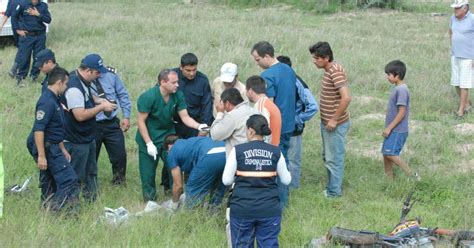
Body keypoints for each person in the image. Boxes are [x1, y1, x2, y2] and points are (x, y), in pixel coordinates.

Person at [136, 69, 208, 202]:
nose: (177, 85)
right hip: (149, 136)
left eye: (177, 82)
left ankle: (175, 196)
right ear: (163, 82)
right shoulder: (148, 97)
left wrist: (198, 126)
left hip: (167, 137)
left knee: (174, 167)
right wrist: (148, 143)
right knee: (148, 173)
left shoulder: (177, 95)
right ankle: (149, 201)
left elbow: (185, 117)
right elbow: (140, 121)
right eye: (173, 82)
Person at [222, 114, 291, 247]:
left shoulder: (238, 151)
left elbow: (226, 180)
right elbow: (287, 180)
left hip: (242, 209)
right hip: (269, 209)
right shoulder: (276, 152)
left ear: (251, 131)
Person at [60, 54, 117, 203]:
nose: (100, 75)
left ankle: (92, 202)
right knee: (77, 175)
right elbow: (79, 115)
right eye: (98, 72)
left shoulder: (84, 81)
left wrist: (100, 100)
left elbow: (87, 98)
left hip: (87, 137)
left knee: (91, 172)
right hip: (76, 140)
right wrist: (101, 107)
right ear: (88, 71)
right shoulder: (73, 87)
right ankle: (72, 206)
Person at [26, 66, 80, 212]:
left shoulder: (54, 99)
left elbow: (54, 129)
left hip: (53, 145)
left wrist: (62, 148)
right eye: (66, 83)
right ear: (59, 82)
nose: (67, 87)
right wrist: (42, 156)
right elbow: (39, 130)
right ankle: (55, 211)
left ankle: (46, 210)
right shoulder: (47, 102)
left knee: (48, 181)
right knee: (69, 180)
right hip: (47, 148)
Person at [251, 41, 296, 208]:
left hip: (276, 128)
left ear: (267, 56)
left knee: (276, 164)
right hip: (289, 124)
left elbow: (268, 106)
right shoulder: (289, 70)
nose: (257, 63)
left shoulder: (268, 75)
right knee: (285, 162)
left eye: (257, 59)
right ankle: (283, 200)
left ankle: (280, 203)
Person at [309, 42, 351, 198]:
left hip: (335, 125)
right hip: (327, 124)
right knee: (328, 156)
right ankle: (331, 187)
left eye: (316, 58)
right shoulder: (328, 70)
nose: (314, 61)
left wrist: (334, 119)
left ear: (326, 58)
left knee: (334, 158)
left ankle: (334, 193)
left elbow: (346, 98)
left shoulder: (335, 72)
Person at [277, 55, 318, 189]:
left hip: (294, 130)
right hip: (278, 128)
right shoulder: (277, 81)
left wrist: (296, 120)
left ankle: (293, 188)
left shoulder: (297, 82)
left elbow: (313, 106)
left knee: (293, 160)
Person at [163, 134, 226, 209]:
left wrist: (174, 203)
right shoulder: (190, 142)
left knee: (193, 190)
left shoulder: (172, 153)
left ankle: (194, 214)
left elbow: (178, 185)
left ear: (169, 147)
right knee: (217, 186)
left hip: (208, 155)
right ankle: (215, 211)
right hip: (226, 151)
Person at [93, 66, 131, 185]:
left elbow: (122, 94)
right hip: (92, 124)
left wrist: (126, 116)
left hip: (111, 123)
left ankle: (119, 181)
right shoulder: (82, 80)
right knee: (90, 156)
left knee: (119, 155)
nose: (99, 74)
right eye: (96, 71)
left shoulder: (111, 75)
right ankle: (89, 183)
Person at [382, 60, 415, 180]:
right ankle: (389, 181)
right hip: (392, 129)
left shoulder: (401, 90)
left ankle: (413, 176)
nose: (387, 77)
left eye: (389, 75)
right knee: (386, 154)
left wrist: (389, 128)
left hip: (397, 130)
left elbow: (402, 112)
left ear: (397, 75)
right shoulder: (398, 88)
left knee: (391, 154)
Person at [10, 0, 51, 87]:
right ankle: (20, 78)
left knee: (38, 57)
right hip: (27, 36)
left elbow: (48, 20)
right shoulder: (22, 4)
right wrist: (17, 30)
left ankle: (34, 77)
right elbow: (14, 17)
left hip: (40, 36)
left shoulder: (43, 6)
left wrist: (38, 14)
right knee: (24, 57)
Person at [172, 53, 213, 138]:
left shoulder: (203, 81)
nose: (192, 73)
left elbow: (207, 107)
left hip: (195, 126)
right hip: (173, 125)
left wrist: (204, 129)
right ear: (181, 67)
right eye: (188, 70)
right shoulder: (171, 77)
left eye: (194, 70)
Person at [210, 88, 258, 157]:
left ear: (227, 103)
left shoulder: (232, 116)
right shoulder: (256, 112)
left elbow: (215, 135)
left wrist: (220, 113)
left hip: (239, 160)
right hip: (256, 158)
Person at [449, 0, 473, 118]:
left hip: (468, 57)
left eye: (457, 8)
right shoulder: (453, 18)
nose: (455, 10)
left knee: (464, 84)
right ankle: (467, 105)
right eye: (454, 8)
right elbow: (451, 32)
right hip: (455, 55)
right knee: (456, 82)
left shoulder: (472, 19)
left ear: (465, 8)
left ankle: (461, 112)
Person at [245, 75, 282, 146]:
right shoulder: (270, 104)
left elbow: (260, 131)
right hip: (274, 147)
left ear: (250, 91)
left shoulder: (261, 106)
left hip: (267, 149)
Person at [1, 0, 20, 78]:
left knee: (22, 49)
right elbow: (8, 12)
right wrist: (1, 25)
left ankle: (15, 69)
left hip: (23, 28)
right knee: (23, 49)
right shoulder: (12, 1)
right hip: (17, 28)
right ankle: (15, 69)